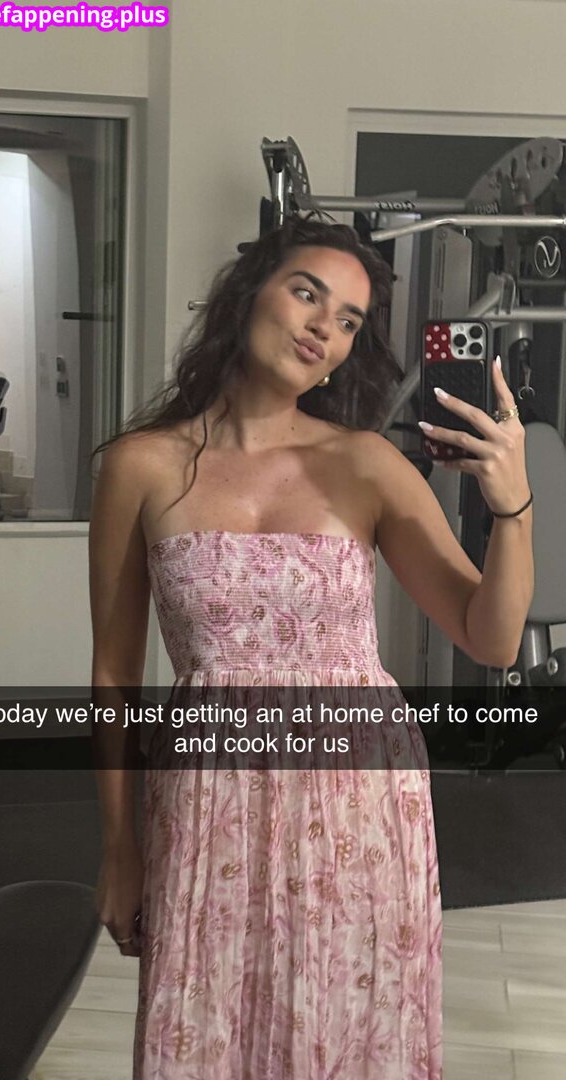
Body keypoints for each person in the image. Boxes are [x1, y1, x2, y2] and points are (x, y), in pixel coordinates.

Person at [88, 216, 534, 1079]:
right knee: (205, 1035)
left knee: (348, 1035)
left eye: (349, 321)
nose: (324, 327)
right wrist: (119, 848)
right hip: (209, 804)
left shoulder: (365, 464)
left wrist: (512, 507)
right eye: (307, 294)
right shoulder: (140, 467)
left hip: (357, 807)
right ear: (246, 293)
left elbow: (492, 636)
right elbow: (114, 673)